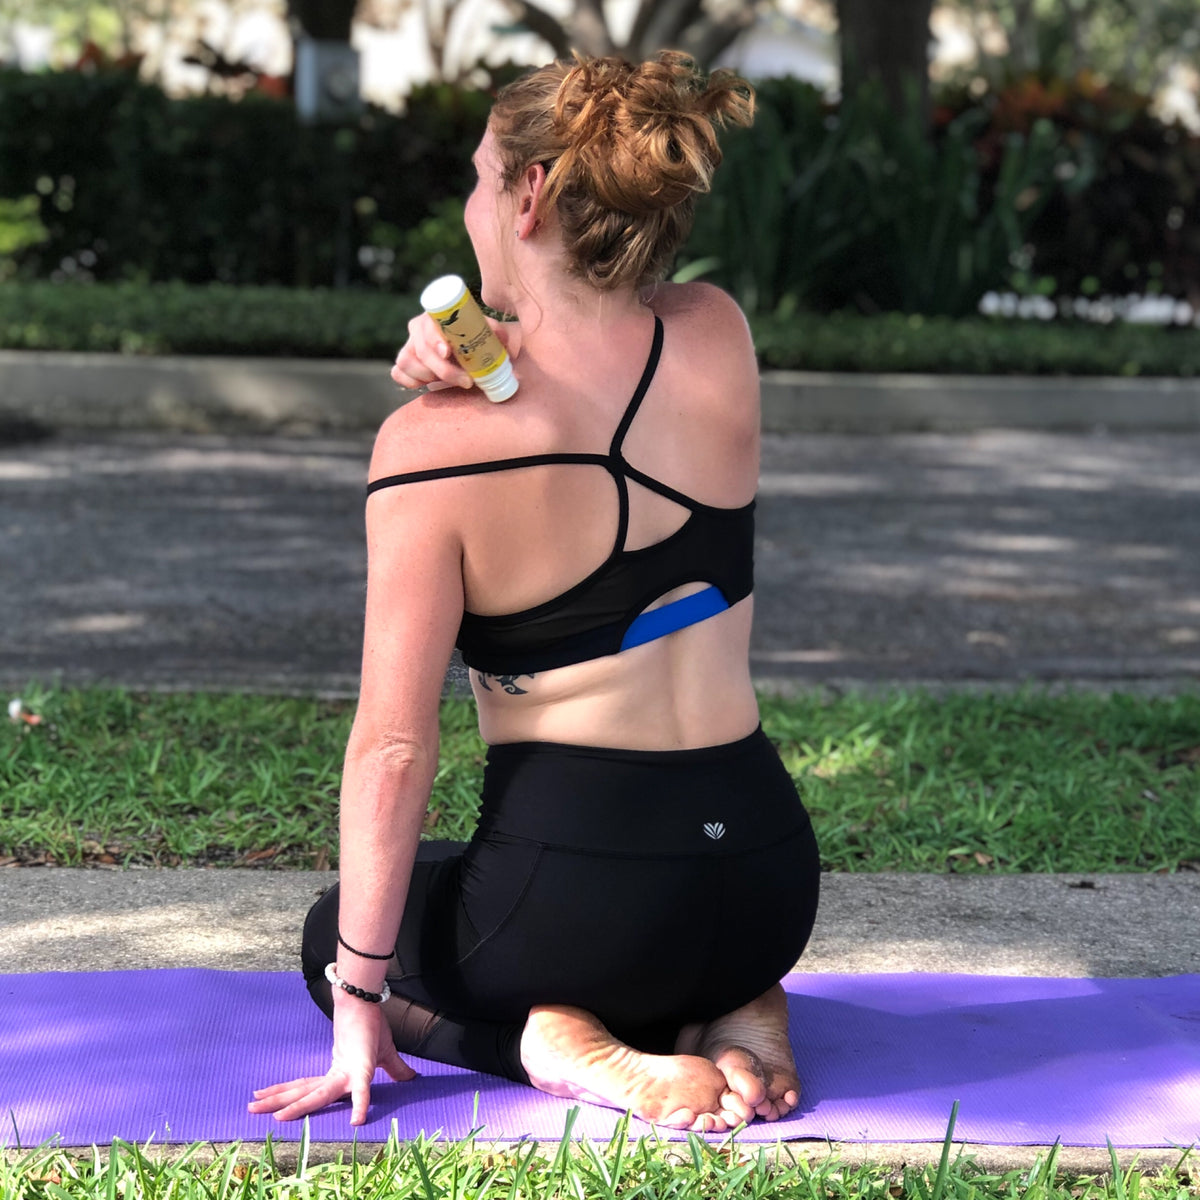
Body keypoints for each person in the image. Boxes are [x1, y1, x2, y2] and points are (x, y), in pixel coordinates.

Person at [249, 49, 820, 1134]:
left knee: (337, 936)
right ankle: (732, 1003)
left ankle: (556, 1045)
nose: (467, 205)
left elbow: (392, 747)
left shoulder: (432, 449)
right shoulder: (717, 336)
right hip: (764, 882)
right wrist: (475, 329)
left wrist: (360, 999)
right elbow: (594, 352)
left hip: (583, 907)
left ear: (530, 192)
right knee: (467, 879)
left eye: (478, 177)